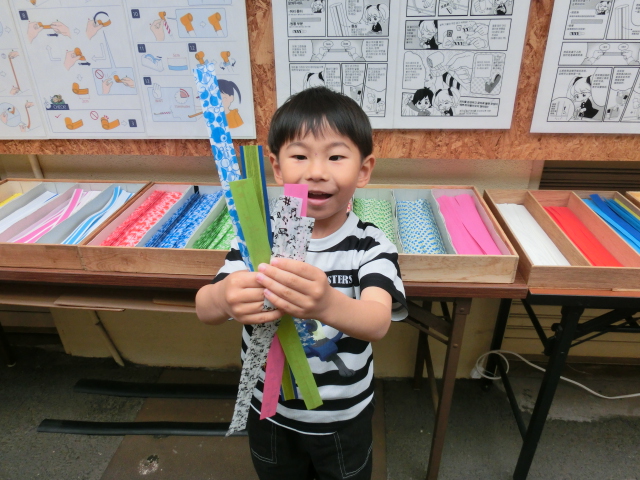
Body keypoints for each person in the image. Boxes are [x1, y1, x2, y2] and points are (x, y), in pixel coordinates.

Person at [195, 86, 407, 480]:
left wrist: (326, 303)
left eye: (336, 156)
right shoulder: (257, 239)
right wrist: (224, 298)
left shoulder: (370, 245)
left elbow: (377, 322)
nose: (316, 171)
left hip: (342, 419)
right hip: (269, 410)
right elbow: (204, 308)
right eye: (300, 156)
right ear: (277, 168)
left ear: (363, 170)